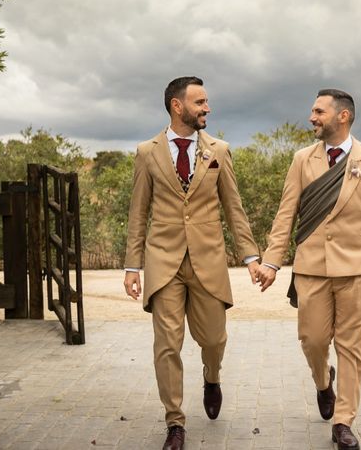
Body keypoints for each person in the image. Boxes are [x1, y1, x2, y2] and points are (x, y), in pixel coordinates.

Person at [257, 88, 361, 450]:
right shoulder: (302, 159)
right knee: (314, 340)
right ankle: (324, 382)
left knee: (351, 346)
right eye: (312, 110)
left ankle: (343, 421)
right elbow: (286, 213)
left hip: (357, 268)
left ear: (343, 116)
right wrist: (272, 261)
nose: (311, 117)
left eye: (319, 111)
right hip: (312, 268)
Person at [124, 76, 263, 450]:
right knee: (167, 345)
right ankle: (175, 422)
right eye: (200, 102)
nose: (207, 108)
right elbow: (138, 213)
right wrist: (131, 266)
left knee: (214, 338)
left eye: (206, 102)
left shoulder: (219, 150)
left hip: (209, 261)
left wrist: (250, 256)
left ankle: (212, 377)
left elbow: (234, 207)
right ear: (177, 106)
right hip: (163, 262)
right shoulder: (146, 152)